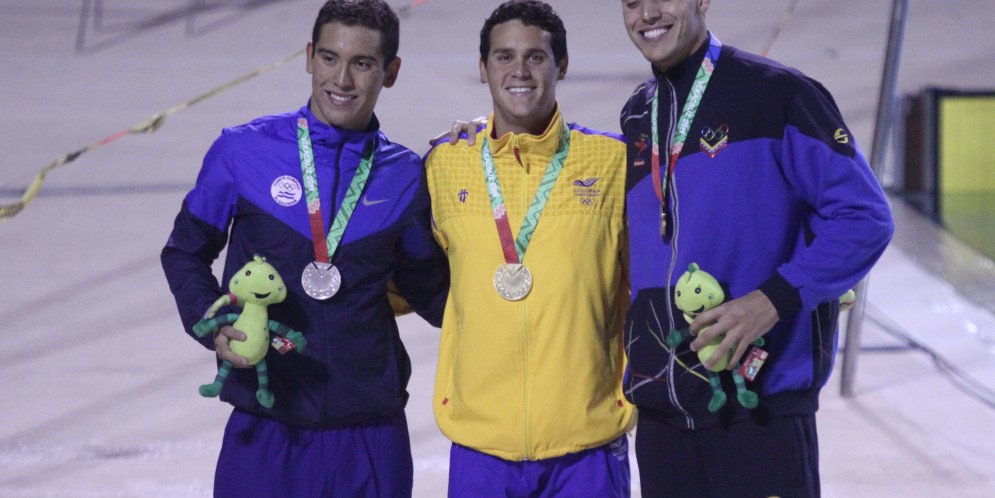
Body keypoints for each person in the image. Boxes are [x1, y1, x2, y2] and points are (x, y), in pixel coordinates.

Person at [160, 1, 448, 496]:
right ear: (310, 56)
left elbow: (436, 294)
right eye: (330, 58)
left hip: (370, 436)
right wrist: (216, 325)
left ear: (391, 71)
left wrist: (481, 154)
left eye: (362, 63)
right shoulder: (242, 151)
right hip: (265, 428)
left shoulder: (404, 176)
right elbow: (184, 251)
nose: (342, 79)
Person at [617, 1, 895, 497]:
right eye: (633, 1)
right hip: (663, 417)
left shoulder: (779, 94)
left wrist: (772, 300)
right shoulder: (639, 112)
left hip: (759, 411)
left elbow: (864, 216)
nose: (648, 13)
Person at [423, 1, 634, 496]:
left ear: (562, 65)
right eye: (504, 56)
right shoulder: (444, 165)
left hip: (587, 448)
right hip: (481, 449)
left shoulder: (613, 163)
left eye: (535, 57)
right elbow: (415, 277)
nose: (519, 70)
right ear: (483, 68)